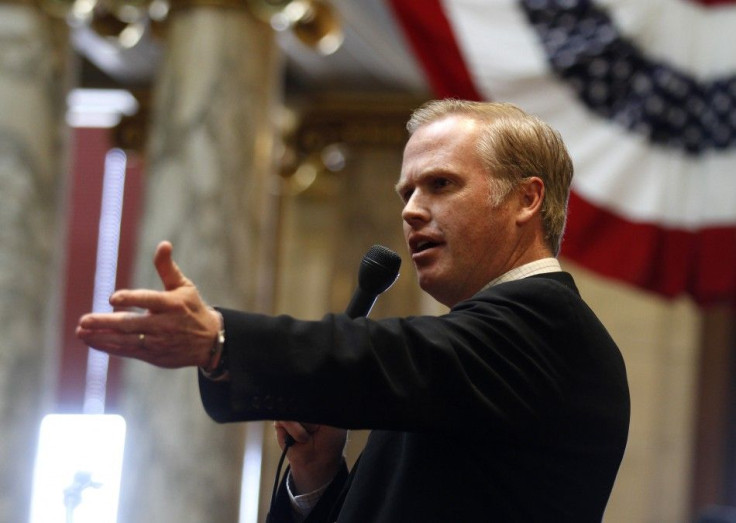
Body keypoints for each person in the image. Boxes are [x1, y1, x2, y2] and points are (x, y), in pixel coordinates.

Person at [77, 100, 630, 522]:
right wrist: (317, 477)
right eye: (406, 192)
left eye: (440, 184)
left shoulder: (547, 326)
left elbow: (385, 354)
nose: (411, 211)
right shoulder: (475, 345)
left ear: (526, 200)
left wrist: (223, 338)